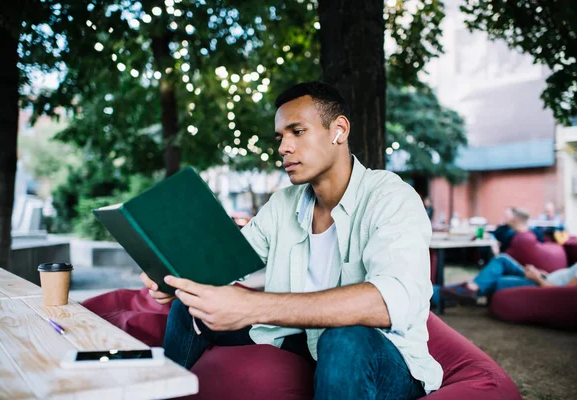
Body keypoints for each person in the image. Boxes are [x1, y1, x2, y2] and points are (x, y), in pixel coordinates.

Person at [140, 81, 442, 398]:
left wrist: (254, 306)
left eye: (297, 132)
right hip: (300, 338)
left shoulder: (391, 197)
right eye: (281, 137)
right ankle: (159, 394)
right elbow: (228, 260)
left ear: (338, 130)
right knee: (191, 307)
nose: (284, 147)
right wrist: (171, 269)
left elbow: (389, 302)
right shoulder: (284, 203)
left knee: (344, 339)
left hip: (380, 356)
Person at [441, 217, 577, 304]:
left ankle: (443, 294)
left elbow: (565, 293)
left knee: (496, 280)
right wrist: (542, 273)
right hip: (544, 278)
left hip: (541, 284)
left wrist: (537, 278)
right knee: (502, 261)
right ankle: (468, 289)